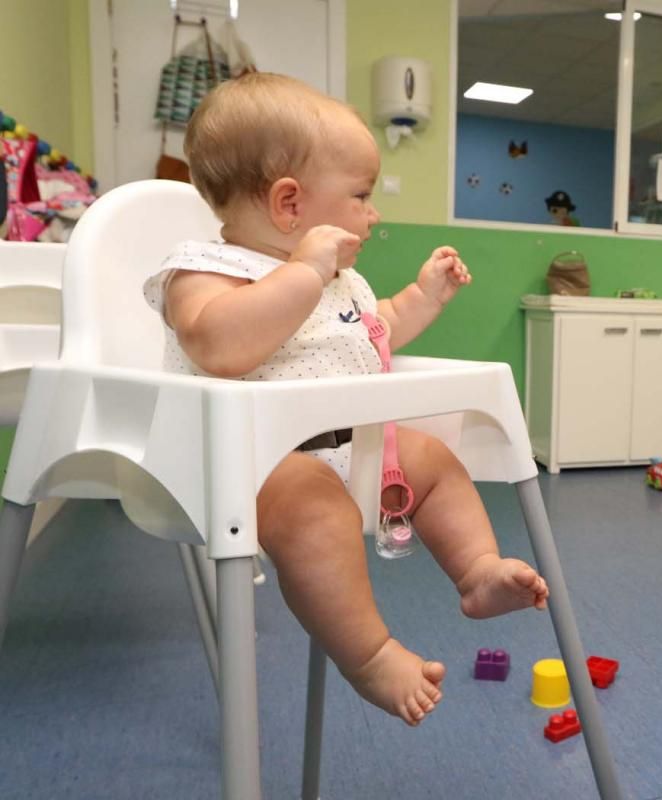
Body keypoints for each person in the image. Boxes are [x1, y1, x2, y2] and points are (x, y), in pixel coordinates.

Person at [142, 73, 549, 726]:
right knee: (315, 508)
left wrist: (423, 298)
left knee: (435, 461)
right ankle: (368, 655)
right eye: (360, 195)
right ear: (289, 205)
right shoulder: (202, 270)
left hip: (348, 450)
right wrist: (304, 273)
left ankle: (476, 572)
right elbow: (215, 342)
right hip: (247, 467)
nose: (373, 211)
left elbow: (375, 328)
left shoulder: (342, 283)